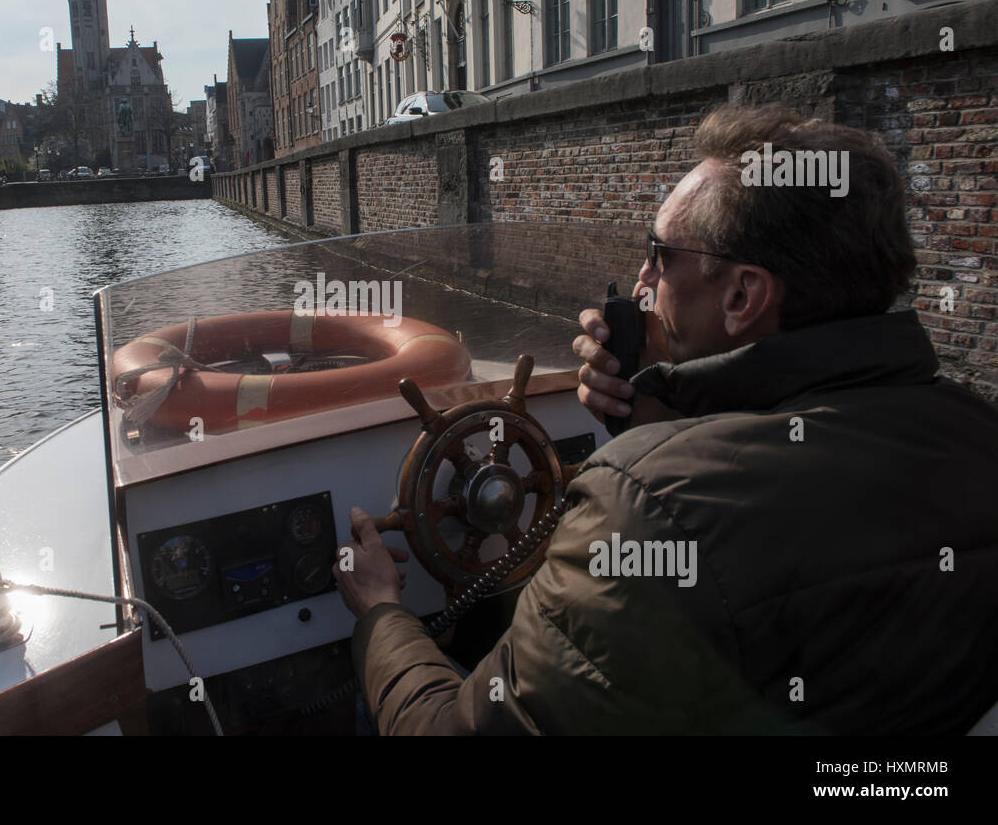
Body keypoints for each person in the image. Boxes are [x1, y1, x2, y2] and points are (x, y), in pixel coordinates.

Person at [335, 104, 998, 734]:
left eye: (659, 252)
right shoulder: (977, 432)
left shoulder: (644, 504)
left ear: (742, 294)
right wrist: (664, 419)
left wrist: (382, 611)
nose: (640, 278)